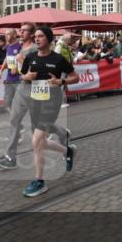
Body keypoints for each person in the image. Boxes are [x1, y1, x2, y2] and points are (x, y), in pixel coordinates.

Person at [20, 25, 79, 197]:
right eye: (36, 36)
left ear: (49, 39)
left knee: (36, 139)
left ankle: (39, 181)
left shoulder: (59, 59)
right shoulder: (30, 57)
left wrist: (61, 82)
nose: (37, 39)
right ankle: (68, 151)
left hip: (51, 103)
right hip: (35, 103)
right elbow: (22, 75)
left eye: (41, 36)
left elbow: (76, 77)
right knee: (41, 142)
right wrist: (26, 77)